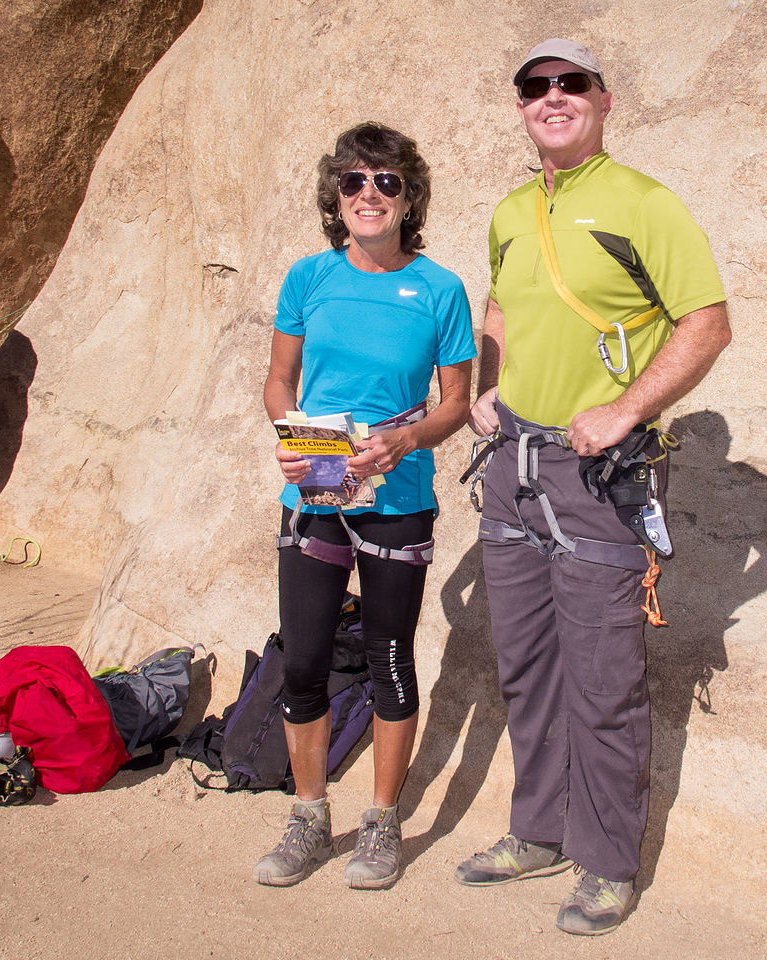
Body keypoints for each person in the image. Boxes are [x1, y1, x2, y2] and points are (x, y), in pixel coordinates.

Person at [456, 39, 732, 935]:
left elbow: (708, 322)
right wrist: (486, 386)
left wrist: (624, 410)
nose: (553, 97)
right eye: (536, 88)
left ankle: (609, 863)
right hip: (513, 471)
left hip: (598, 479)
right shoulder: (509, 210)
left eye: (571, 83)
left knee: (604, 678)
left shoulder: (643, 203)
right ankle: (537, 833)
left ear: (605, 100)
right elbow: (500, 304)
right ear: (523, 108)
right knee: (529, 668)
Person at [260, 122, 475, 889]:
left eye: (386, 181)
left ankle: (380, 824)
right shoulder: (308, 278)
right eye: (353, 181)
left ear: (408, 195)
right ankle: (310, 817)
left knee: (390, 661)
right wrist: (291, 439)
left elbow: (456, 404)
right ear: (335, 195)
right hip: (314, 489)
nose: (368, 194)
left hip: (399, 495)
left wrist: (405, 441)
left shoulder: (441, 289)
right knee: (306, 661)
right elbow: (278, 381)